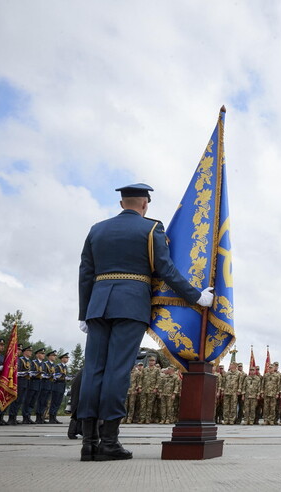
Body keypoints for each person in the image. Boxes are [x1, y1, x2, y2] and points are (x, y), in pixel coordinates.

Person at [77, 183, 213, 461]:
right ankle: (109, 442)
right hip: (130, 303)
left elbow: (86, 273)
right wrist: (195, 296)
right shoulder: (151, 229)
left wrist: (83, 312)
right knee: (118, 370)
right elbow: (165, 269)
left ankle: (88, 442)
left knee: (93, 370)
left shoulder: (96, 229)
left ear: (122, 204)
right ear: (144, 204)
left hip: (98, 305)